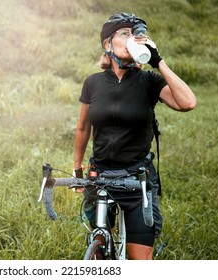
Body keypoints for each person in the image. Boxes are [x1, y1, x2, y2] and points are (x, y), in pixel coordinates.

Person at [73, 12, 196, 260]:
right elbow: (83, 128)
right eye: (124, 33)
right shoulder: (93, 83)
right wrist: (77, 167)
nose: (132, 39)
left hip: (138, 180)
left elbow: (188, 103)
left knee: (140, 262)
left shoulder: (149, 81)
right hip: (101, 178)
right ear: (108, 44)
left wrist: (158, 60)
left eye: (136, 34)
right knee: (100, 254)